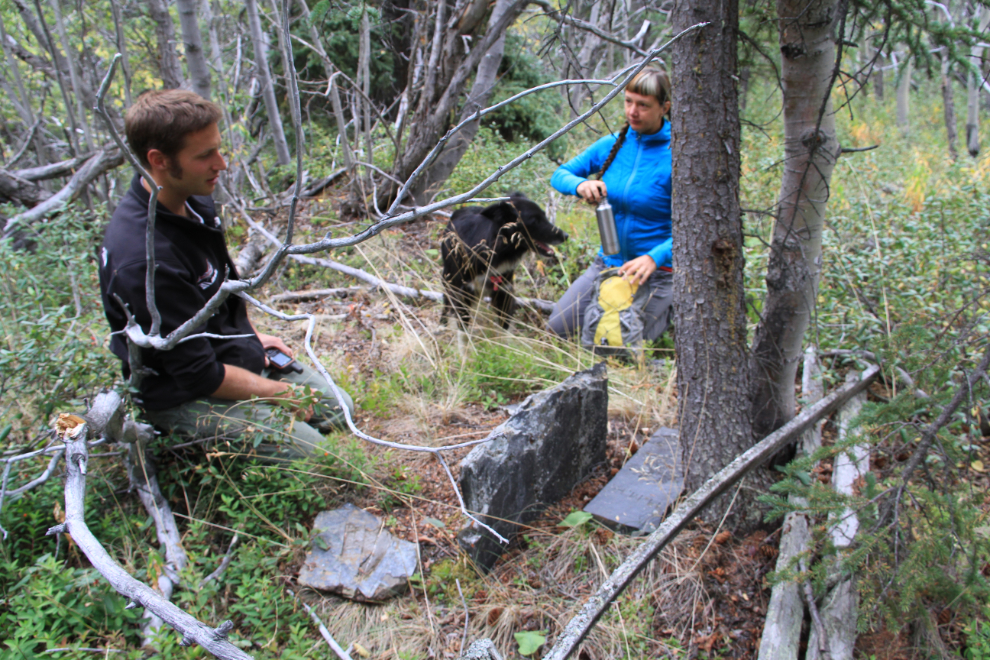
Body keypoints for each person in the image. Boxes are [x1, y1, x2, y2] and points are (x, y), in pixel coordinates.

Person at [98, 89, 353, 460]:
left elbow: (214, 296)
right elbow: (197, 373)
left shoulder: (194, 202)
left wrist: (251, 339)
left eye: (219, 149)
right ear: (159, 160)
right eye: (205, 155)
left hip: (221, 357)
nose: (221, 163)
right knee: (319, 460)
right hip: (182, 390)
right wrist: (278, 392)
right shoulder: (143, 257)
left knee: (340, 411)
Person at [548, 67, 674, 342]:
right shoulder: (612, 144)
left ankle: (670, 310)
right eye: (628, 101)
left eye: (643, 105)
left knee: (621, 345)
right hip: (609, 263)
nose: (632, 112)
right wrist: (581, 185)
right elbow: (560, 175)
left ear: (665, 107)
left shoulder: (677, 152)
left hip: (658, 272)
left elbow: (694, 228)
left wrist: (656, 257)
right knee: (558, 327)